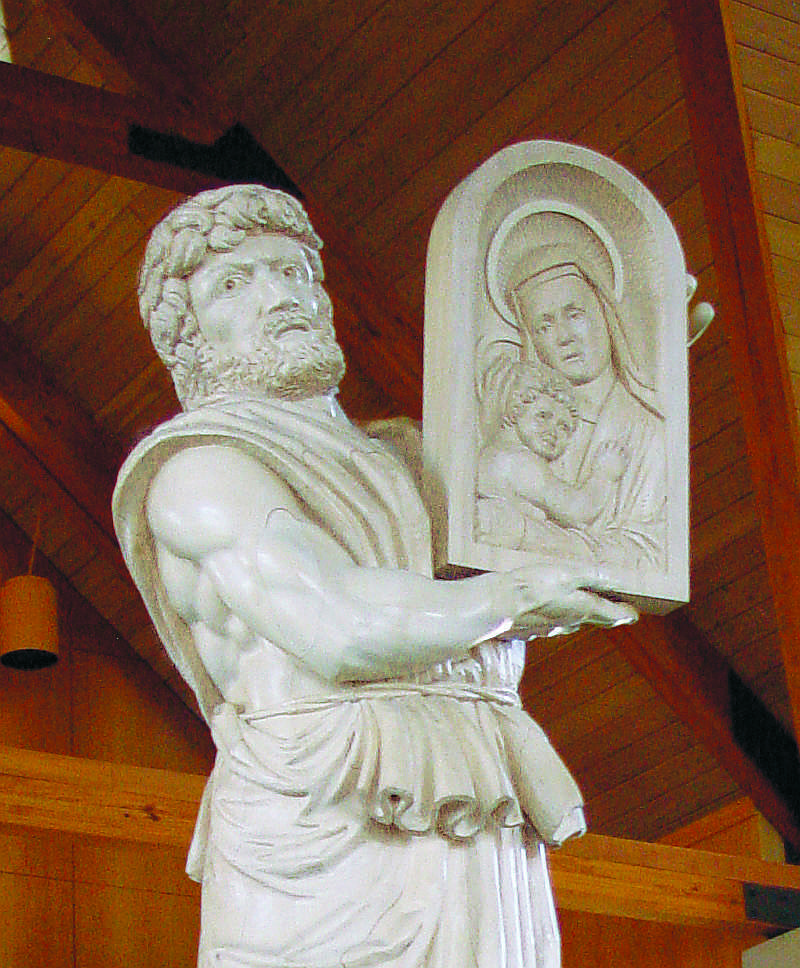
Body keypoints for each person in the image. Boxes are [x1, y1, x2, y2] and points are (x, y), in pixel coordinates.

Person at [113, 185, 636, 968]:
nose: (281, 294)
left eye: (293, 272)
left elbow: (567, 503)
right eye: (237, 281)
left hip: (471, 803)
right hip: (324, 839)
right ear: (187, 338)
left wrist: (636, 365)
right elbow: (335, 621)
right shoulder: (199, 472)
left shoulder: (405, 459)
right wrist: (508, 596)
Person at [481, 219, 667, 572]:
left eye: (575, 314)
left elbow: (650, 558)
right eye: (544, 326)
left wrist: (529, 536)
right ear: (532, 341)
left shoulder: (649, 432)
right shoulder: (523, 427)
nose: (564, 336)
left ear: (604, 313)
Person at [476, 362, 629, 550]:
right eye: (543, 416)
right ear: (515, 409)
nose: (553, 431)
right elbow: (576, 509)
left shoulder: (493, 455)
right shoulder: (518, 462)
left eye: (564, 427)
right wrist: (605, 474)